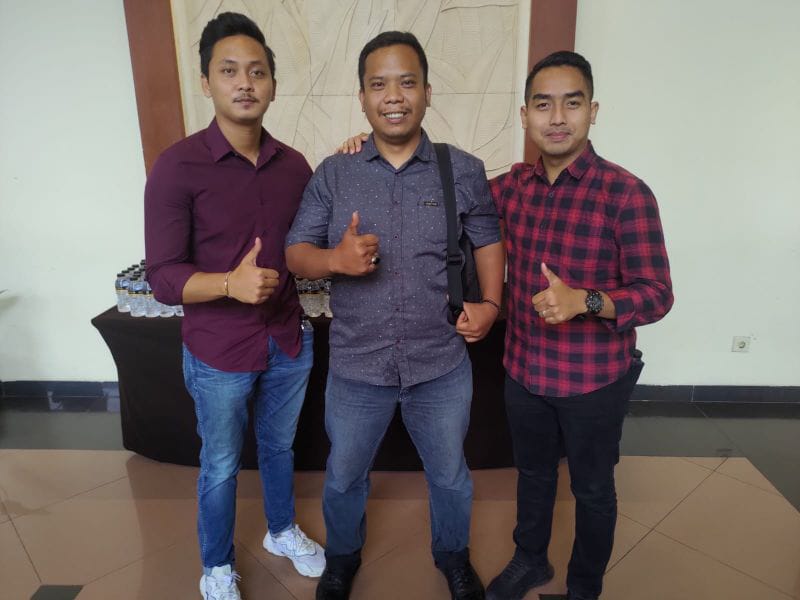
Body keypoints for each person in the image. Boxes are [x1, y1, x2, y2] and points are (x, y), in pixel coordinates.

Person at [286, 31, 505, 600]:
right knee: (343, 477)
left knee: (450, 477)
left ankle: (453, 556)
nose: (394, 96)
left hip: (440, 361)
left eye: (407, 82)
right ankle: (342, 559)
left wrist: (490, 304)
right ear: (362, 97)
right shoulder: (335, 172)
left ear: (427, 93)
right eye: (379, 84)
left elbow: (487, 238)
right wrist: (334, 260)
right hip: (358, 364)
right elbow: (295, 252)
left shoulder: (462, 169)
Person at [144, 12, 325, 600]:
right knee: (221, 462)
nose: (245, 83)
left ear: (272, 84)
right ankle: (217, 565)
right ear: (206, 82)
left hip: (288, 339)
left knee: (279, 447)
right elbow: (162, 278)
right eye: (229, 71)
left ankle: (280, 530)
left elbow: (310, 244)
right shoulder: (176, 166)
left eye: (257, 71)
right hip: (219, 348)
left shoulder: (295, 166)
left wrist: (354, 156)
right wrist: (228, 284)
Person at [483, 51, 674, 600]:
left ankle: (584, 587)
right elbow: (448, 194)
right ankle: (530, 561)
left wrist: (584, 301)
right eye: (544, 105)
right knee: (534, 476)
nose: (558, 118)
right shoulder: (511, 187)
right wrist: (369, 146)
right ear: (526, 115)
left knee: (592, 490)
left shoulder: (626, 193)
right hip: (524, 371)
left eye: (572, 103)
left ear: (593, 111)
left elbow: (657, 294)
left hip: (594, 380)